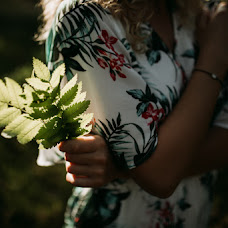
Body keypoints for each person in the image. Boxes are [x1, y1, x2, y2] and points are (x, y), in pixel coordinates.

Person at [36, 0, 228, 227]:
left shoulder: (202, 11)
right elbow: (160, 177)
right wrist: (215, 57)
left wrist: (125, 167)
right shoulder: (85, 16)